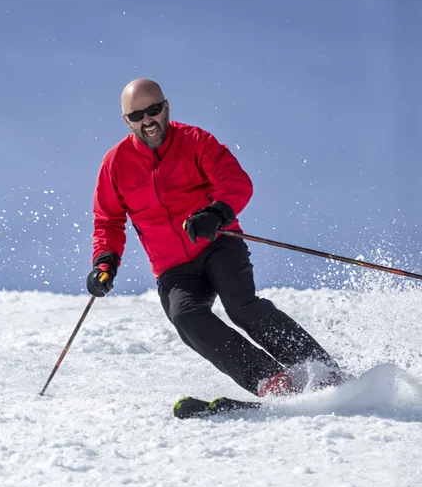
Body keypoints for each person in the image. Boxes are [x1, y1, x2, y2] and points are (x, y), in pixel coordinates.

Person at [87, 78, 342, 397]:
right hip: (173, 268)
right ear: (127, 121)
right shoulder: (115, 164)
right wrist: (104, 261)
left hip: (217, 244)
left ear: (166, 107)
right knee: (187, 318)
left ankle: (320, 369)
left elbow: (235, 180)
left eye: (153, 110)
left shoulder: (195, 140)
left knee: (242, 307)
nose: (147, 121)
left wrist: (216, 212)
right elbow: (108, 219)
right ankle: (271, 380)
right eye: (137, 116)